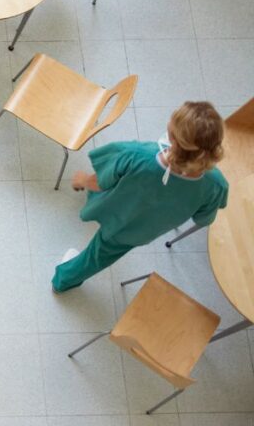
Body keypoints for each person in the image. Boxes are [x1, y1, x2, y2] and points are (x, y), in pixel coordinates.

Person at [52, 101, 229, 293]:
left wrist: (83, 180)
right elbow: (204, 219)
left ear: (172, 136)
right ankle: (64, 280)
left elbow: (101, 181)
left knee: (98, 239)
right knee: (100, 257)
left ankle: (63, 279)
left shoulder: (137, 155)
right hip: (140, 231)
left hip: (117, 213)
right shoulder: (216, 185)